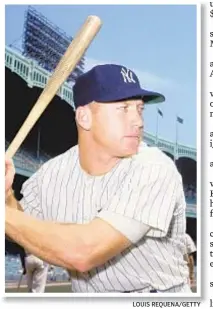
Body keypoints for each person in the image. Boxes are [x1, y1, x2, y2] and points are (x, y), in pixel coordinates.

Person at [5, 64, 191, 293]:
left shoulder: (154, 166)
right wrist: (6, 195)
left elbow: (84, 252)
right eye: (123, 108)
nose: (138, 121)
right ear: (84, 118)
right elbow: (22, 226)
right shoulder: (50, 174)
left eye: (139, 109)